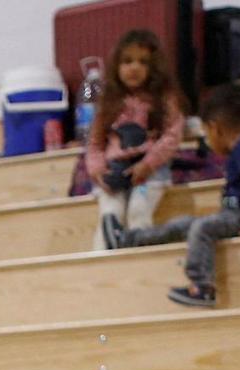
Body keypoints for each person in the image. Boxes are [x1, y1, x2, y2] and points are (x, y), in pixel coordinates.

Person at [107, 83, 240, 308]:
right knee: (184, 224)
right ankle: (128, 239)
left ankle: (202, 286)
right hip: (235, 216)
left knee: (201, 227)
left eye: (207, 134)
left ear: (215, 128)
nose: (208, 140)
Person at [84, 29, 187, 248]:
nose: (134, 68)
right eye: (127, 61)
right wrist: (97, 169)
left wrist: (147, 165)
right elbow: (94, 143)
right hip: (115, 171)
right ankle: (101, 268)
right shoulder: (108, 102)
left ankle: (140, 264)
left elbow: (172, 135)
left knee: (138, 212)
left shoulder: (164, 99)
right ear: (116, 67)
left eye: (143, 62)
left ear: (154, 67)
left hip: (148, 174)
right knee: (110, 216)